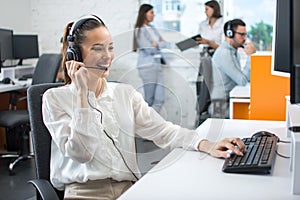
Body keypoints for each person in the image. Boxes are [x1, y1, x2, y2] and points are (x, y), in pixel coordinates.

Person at [42, 14, 246, 199]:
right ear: (75, 56)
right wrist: (81, 97)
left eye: (110, 47)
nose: (107, 56)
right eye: (97, 48)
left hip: (128, 188)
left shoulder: (124, 93)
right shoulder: (54, 99)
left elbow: (163, 130)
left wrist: (207, 145)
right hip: (84, 193)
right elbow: (82, 153)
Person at [209, 19, 256, 118]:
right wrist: (250, 57)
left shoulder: (233, 52)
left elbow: (243, 78)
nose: (245, 38)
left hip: (228, 100)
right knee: (252, 113)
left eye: (245, 34)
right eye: (241, 35)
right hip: (221, 107)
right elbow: (242, 81)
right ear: (230, 34)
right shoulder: (224, 54)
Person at [133, 4, 168, 114]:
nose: (154, 15)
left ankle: (152, 125)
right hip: (147, 67)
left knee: (160, 99)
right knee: (149, 99)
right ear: (144, 14)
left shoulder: (152, 28)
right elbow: (148, 49)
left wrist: (155, 44)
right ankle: (144, 127)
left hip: (157, 65)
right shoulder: (139, 30)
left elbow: (164, 44)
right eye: (151, 12)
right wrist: (157, 44)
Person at [195, 0, 223, 125]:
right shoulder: (202, 24)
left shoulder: (222, 24)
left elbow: (223, 46)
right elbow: (199, 40)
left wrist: (209, 42)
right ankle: (202, 113)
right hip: (204, 56)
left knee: (214, 86)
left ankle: (212, 117)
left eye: (207, 9)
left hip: (217, 56)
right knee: (202, 86)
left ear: (214, 9)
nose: (205, 12)